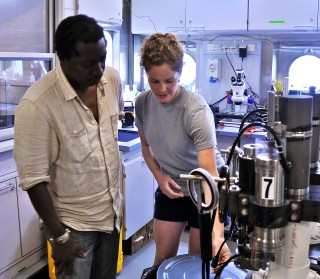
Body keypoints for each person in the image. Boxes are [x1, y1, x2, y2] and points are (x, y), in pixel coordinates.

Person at [14, 15, 123, 279]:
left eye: (102, 59)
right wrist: (59, 237)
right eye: (88, 64)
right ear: (62, 58)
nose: (98, 70)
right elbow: (34, 180)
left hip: (111, 216)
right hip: (73, 227)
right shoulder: (37, 105)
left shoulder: (110, 80)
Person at [135, 33, 232, 272]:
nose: (162, 89)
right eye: (154, 81)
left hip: (205, 191)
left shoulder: (195, 111)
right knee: (161, 261)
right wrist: (159, 177)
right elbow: (146, 147)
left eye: (170, 80)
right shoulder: (143, 103)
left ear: (181, 74)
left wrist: (218, 236)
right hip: (173, 189)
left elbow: (209, 177)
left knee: (198, 264)